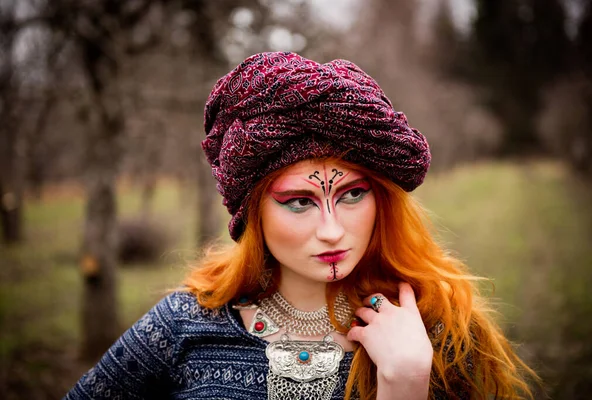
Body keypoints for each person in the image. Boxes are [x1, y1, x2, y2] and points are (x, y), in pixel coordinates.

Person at [64, 52, 537, 400]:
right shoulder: (182, 325)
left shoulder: (441, 330)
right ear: (253, 212)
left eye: (353, 194)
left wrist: (407, 381)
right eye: (298, 202)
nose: (331, 231)